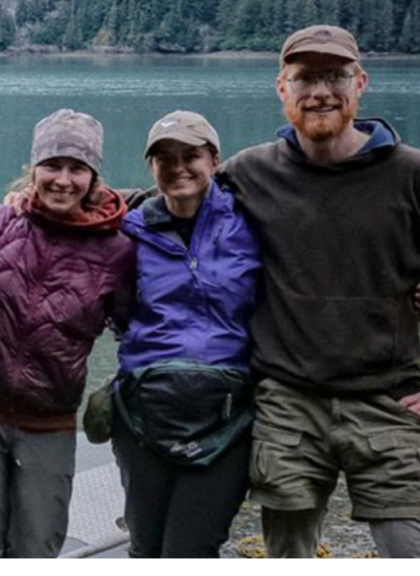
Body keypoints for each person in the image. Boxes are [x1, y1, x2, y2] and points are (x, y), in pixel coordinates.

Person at [221, 25, 420, 559]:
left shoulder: (416, 175)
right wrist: (69, 199)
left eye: (335, 76)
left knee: (415, 548)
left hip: (391, 399)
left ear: (361, 84)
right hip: (288, 404)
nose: (321, 92)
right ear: (281, 89)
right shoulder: (250, 173)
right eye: (305, 78)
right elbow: (173, 201)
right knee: (287, 552)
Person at [0, 110, 135, 559]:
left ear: (94, 177)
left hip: (50, 419)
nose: (63, 179)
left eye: (77, 168)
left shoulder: (117, 250)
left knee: (38, 546)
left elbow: (135, 329)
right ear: (32, 169)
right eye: (52, 165)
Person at [111, 111, 262, 559]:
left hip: (226, 419)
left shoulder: (252, 222)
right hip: (142, 412)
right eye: (164, 157)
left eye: (190, 155)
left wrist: (396, 290)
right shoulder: (127, 228)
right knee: (145, 547)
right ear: (150, 167)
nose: (178, 167)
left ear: (215, 160)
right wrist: (19, 198)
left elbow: (321, 261)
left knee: (190, 550)